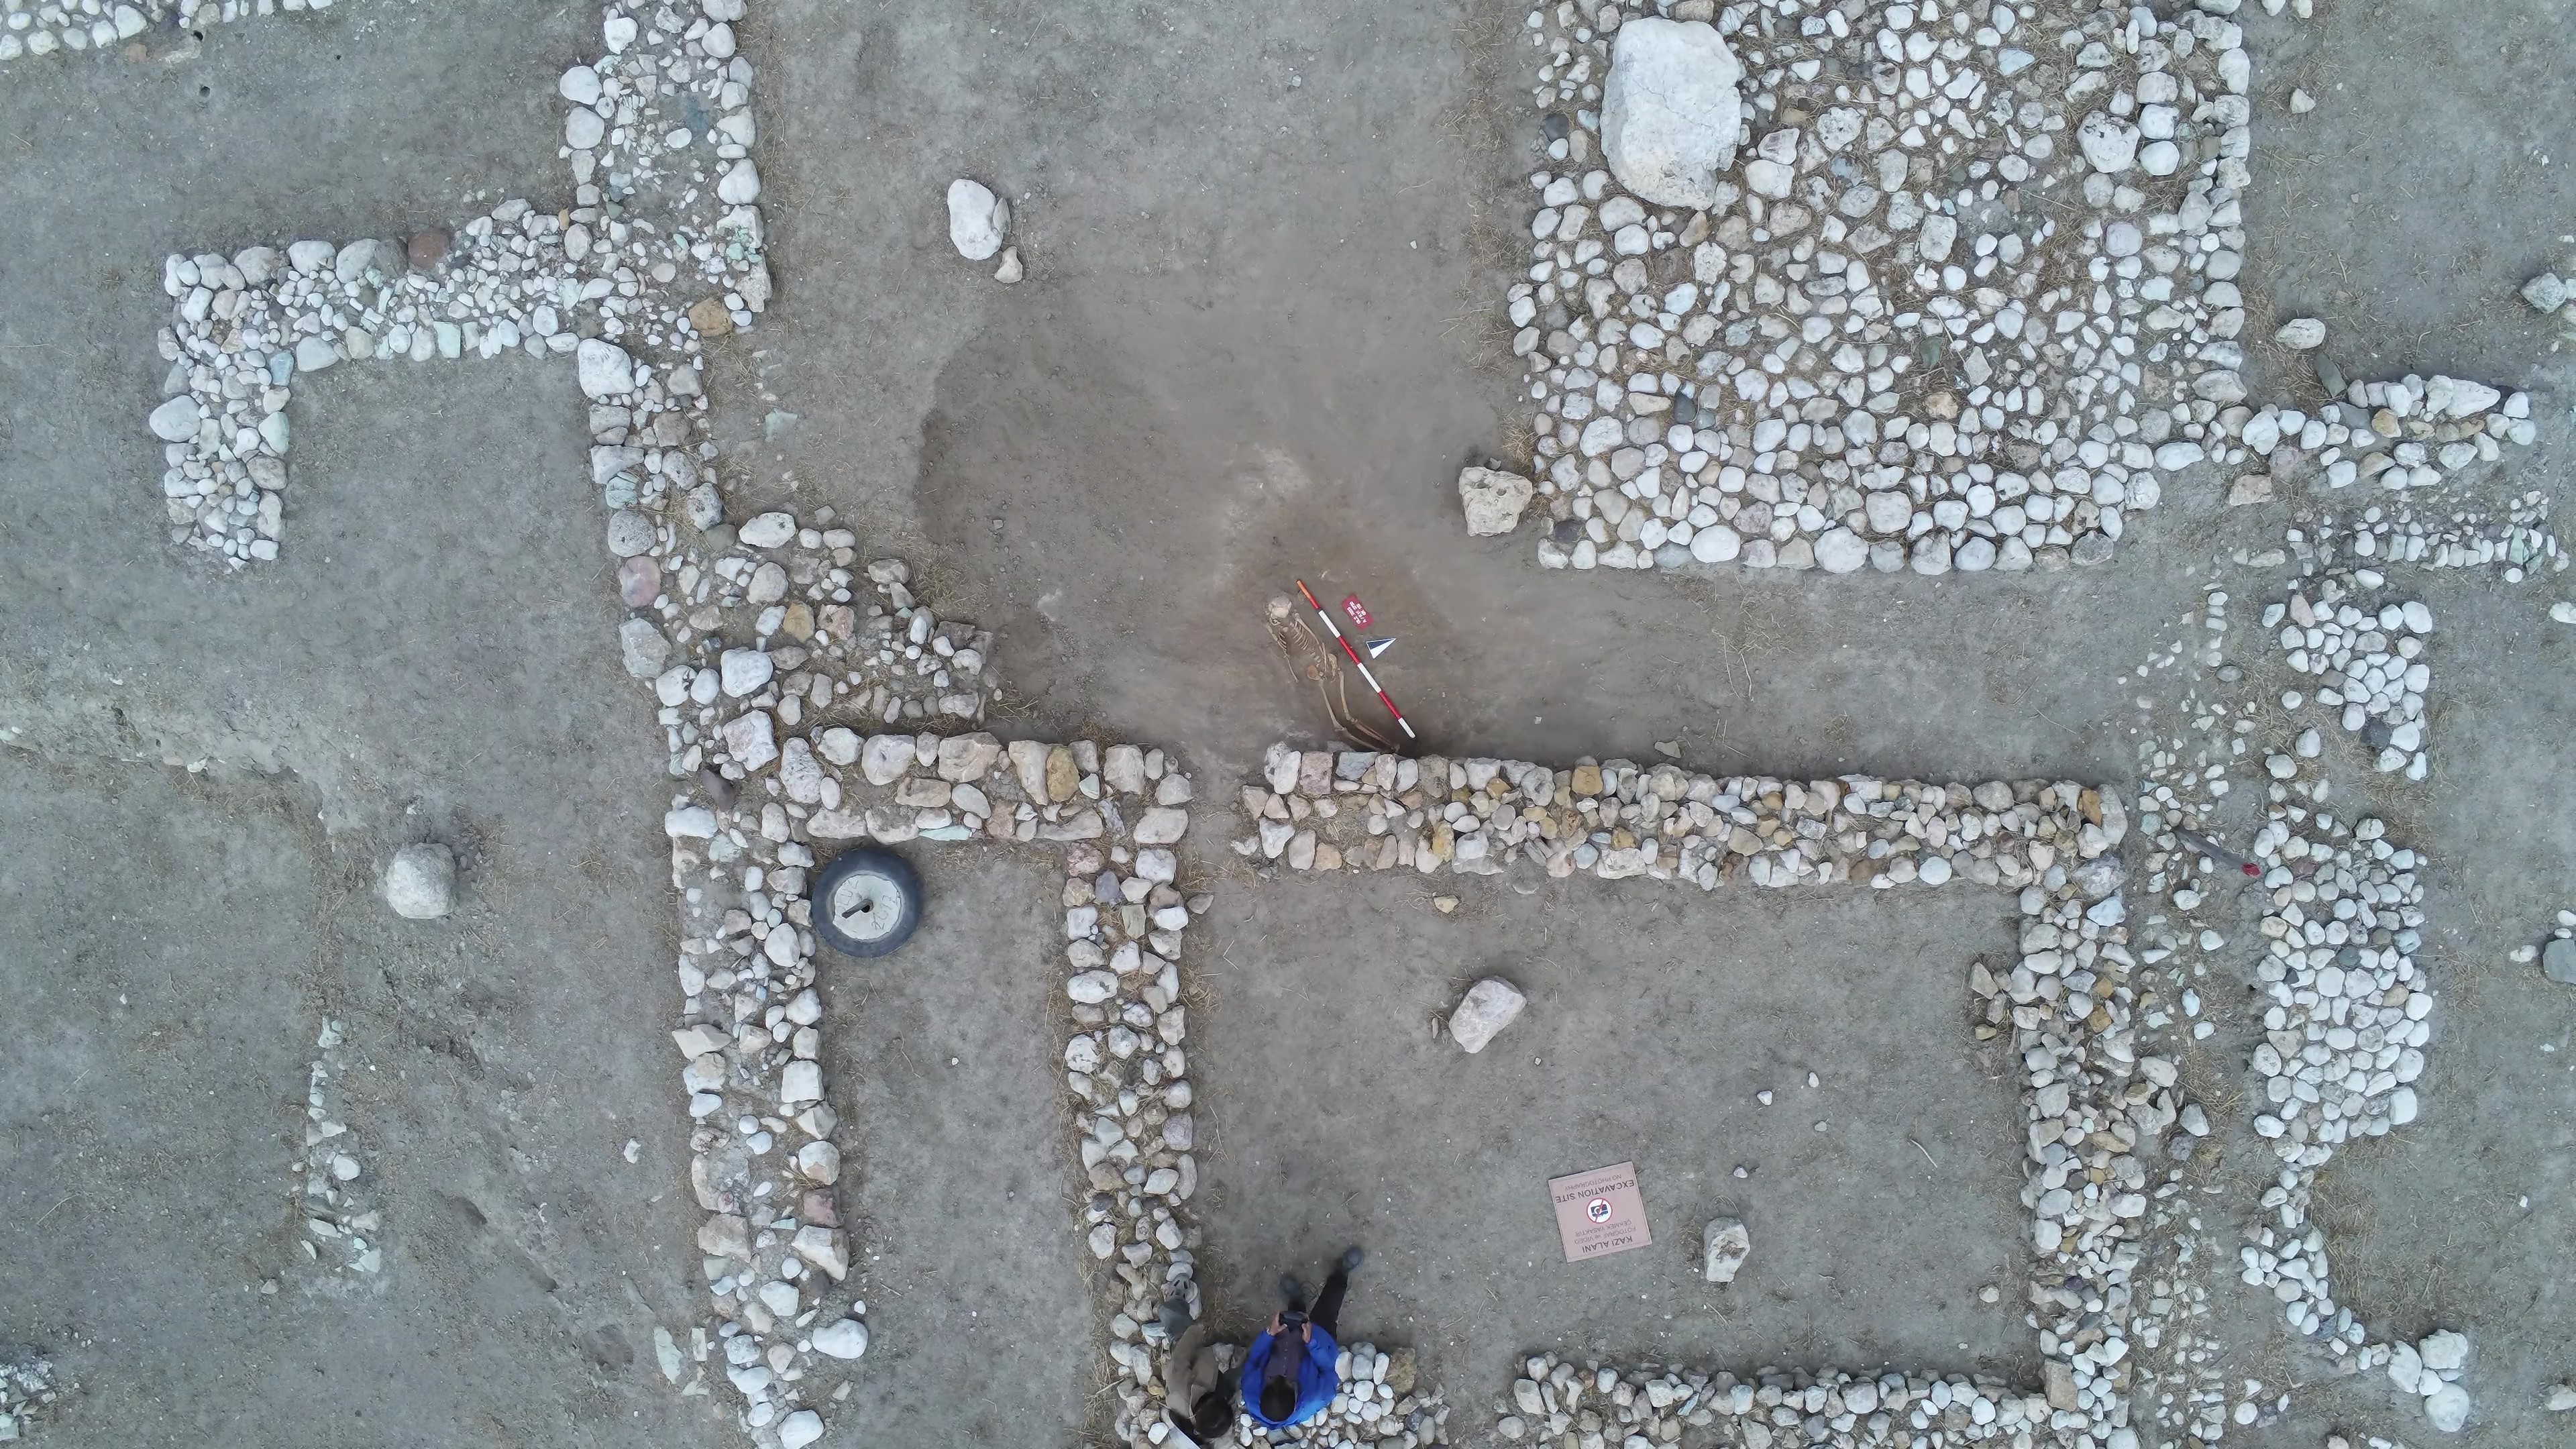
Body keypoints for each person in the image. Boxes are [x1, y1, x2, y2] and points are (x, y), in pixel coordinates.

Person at [1241, 1246, 1365, 1430]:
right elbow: (1329, 1370)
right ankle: (1341, 1273)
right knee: (1328, 1308)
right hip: (1318, 1342)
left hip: (1284, 1337)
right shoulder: (1317, 1398)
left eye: (1272, 1378)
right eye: (1288, 1380)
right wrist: (1313, 1344)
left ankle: (1297, 1300)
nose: (1282, 1375)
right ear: (1296, 1399)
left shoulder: (1251, 1395)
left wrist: (1269, 1335)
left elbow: (1253, 1361)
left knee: (1295, 1316)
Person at [1159, 1293, 1239, 1448]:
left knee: (1171, 1316)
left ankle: (1176, 1297)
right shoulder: (1213, 1425)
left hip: (1189, 1358)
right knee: (1236, 1381)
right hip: (1207, 1374)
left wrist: (1195, 1332)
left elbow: (1182, 1354)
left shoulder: (1179, 1386)